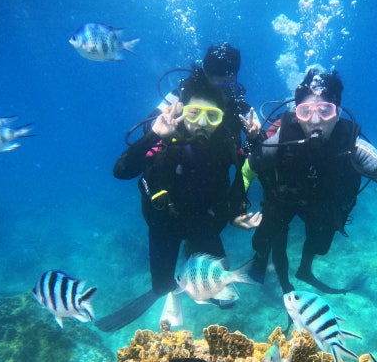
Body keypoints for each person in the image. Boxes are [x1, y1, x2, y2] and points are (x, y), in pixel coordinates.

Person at [96, 68, 261, 332]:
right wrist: (153, 136)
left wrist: (235, 212)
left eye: (212, 116)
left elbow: (244, 174)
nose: (202, 123)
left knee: (224, 299)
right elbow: (121, 171)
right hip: (165, 224)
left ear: (221, 117)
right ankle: (174, 292)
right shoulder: (165, 137)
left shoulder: (225, 142)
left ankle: (189, 267)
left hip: (204, 222)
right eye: (194, 113)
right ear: (183, 110)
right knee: (161, 287)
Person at [241, 67, 377, 295]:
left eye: (325, 111)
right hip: (284, 198)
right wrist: (238, 206)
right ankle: (261, 260)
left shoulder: (353, 145)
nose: (315, 120)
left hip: (323, 204)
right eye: (305, 112)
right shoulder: (283, 138)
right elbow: (248, 169)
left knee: (320, 245)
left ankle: (304, 269)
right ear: (296, 113)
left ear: (337, 113)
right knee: (264, 237)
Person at [141, 42, 260, 158]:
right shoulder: (181, 95)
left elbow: (257, 143)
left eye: (229, 85)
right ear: (206, 76)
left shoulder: (237, 104)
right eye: (219, 85)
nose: (223, 92)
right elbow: (148, 125)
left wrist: (253, 138)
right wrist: (161, 125)